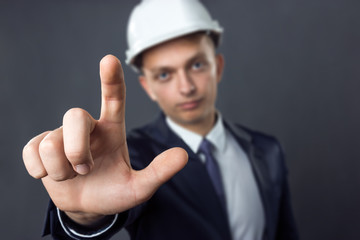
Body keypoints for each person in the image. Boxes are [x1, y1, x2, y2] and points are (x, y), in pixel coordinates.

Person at [22, 0, 298, 239]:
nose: (186, 87)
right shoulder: (132, 157)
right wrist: (82, 216)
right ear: (147, 87)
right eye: (164, 74)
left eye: (197, 65)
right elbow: (108, 203)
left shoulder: (267, 150)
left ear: (218, 67)